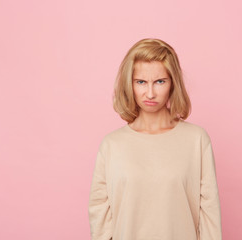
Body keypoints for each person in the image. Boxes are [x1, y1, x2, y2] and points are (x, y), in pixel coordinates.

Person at [88, 38, 222, 240]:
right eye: (141, 82)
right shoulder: (112, 145)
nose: (150, 93)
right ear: (129, 84)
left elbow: (209, 215)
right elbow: (100, 219)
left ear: (172, 83)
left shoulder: (196, 140)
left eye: (160, 81)